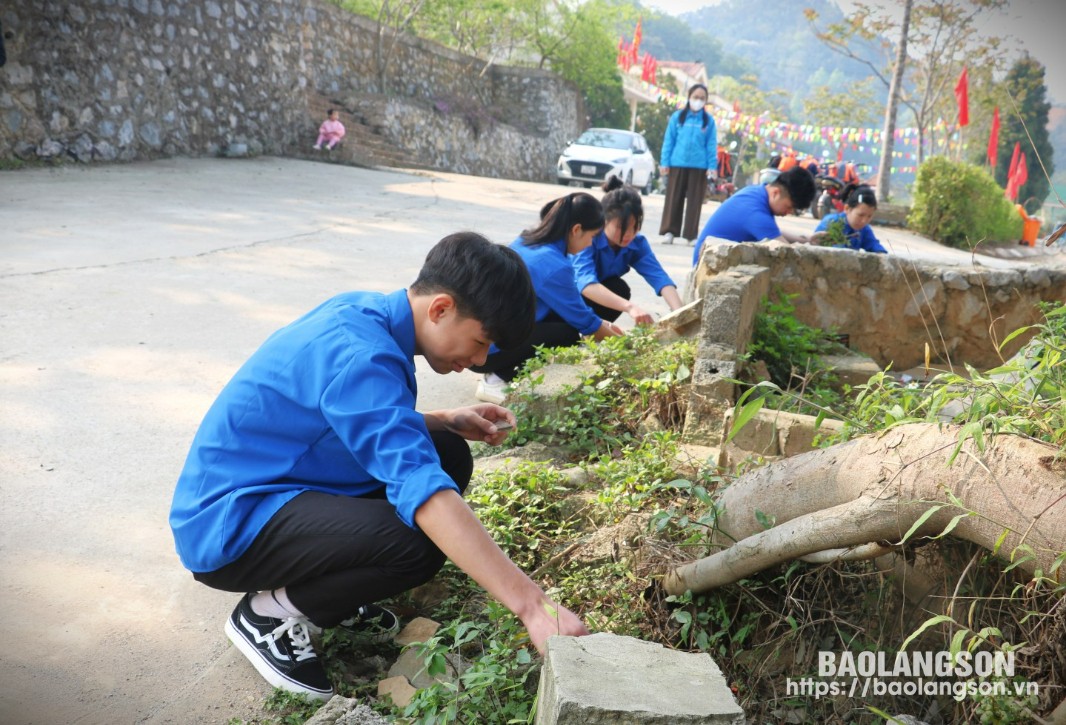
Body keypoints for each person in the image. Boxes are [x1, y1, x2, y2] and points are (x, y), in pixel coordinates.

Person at [169, 233, 590, 701]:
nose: (477, 361)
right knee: (419, 541)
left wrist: (442, 419)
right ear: (440, 308)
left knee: (447, 450)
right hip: (230, 524)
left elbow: (340, 415)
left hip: (279, 478)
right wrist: (533, 606)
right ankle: (271, 613)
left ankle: (327, 592)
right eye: (479, 342)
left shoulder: (368, 311)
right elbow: (420, 489)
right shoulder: (362, 356)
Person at [471, 193, 623, 403]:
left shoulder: (527, 240)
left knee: (567, 321)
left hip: (477, 339)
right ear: (576, 229)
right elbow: (586, 324)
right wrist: (629, 348)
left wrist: (602, 323)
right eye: (592, 236)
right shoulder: (553, 264)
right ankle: (498, 378)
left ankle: (499, 370)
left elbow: (577, 310)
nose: (590, 244)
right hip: (487, 351)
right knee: (568, 334)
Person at [573, 176, 682, 325]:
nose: (628, 235)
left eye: (635, 227)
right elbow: (586, 284)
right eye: (621, 228)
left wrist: (680, 313)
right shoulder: (587, 238)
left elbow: (660, 278)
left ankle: (593, 328)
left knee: (619, 289)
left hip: (594, 296)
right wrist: (630, 307)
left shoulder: (637, 243)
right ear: (604, 220)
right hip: (565, 294)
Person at [691, 166, 818, 265]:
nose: (788, 212)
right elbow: (789, 253)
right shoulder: (755, 213)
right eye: (789, 207)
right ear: (776, 193)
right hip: (707, 265)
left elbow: (773, 233)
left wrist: (807, 240)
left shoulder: (757, 192)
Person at [658, 84, 718, 245]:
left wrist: (712, 167)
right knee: (673, 199)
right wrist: (664, 162)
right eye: (696, 97)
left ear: (705, 101)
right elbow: (668, 141)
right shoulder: (678, 117)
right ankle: (670, 231)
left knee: (694, 202)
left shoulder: (708, 121)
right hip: (677, 163)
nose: (698, 101)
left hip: (699, 166)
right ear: (689, 96)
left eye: (702, 98)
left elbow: (711, 145)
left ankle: (690, 235)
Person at [812, 183, 887, 253]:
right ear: (847, 209)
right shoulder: (831, 223)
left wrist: (881, 253)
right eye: (860, 215)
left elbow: (873, 245)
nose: (864, 221)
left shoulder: (864, 229)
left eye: (869, 216)